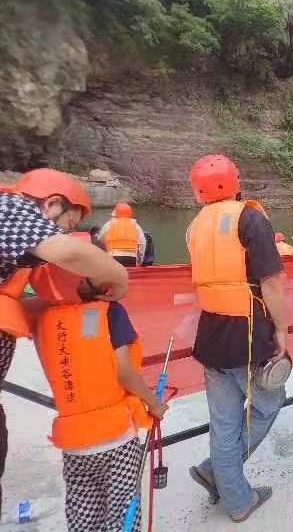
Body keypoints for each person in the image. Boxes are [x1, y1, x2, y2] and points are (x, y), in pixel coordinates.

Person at [0, 168, 128, 516]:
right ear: (52, 204)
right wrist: (118, 276)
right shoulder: (10, 209)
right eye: (66, 226)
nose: (65, 235)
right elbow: (70, 254)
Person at [186, 154, 287, 522]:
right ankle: (232, 489)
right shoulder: (250, 218)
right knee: (268, 403)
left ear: (198, 192)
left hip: (211, 334)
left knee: (225, 422)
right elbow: (271, 282)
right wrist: (281, 329)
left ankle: (220, 476)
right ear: (235, 182)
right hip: (248, 333)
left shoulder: (195, 226)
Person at [34, 267, 167, 531]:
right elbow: (124, 372)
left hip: (74, 442)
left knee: (84, 519)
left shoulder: (44, 318)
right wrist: (154, 403)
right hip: (116, 439)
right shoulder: (111, 312)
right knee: (122, 518)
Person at [97, 202, 146, 267]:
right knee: (128, 273)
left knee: (114, 273)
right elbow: (142, 244)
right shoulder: (136, 225)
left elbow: (99, 239)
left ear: (116, 214)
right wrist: (140, 261)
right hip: (131, 257)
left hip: (113, 256)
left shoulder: (109, 224)